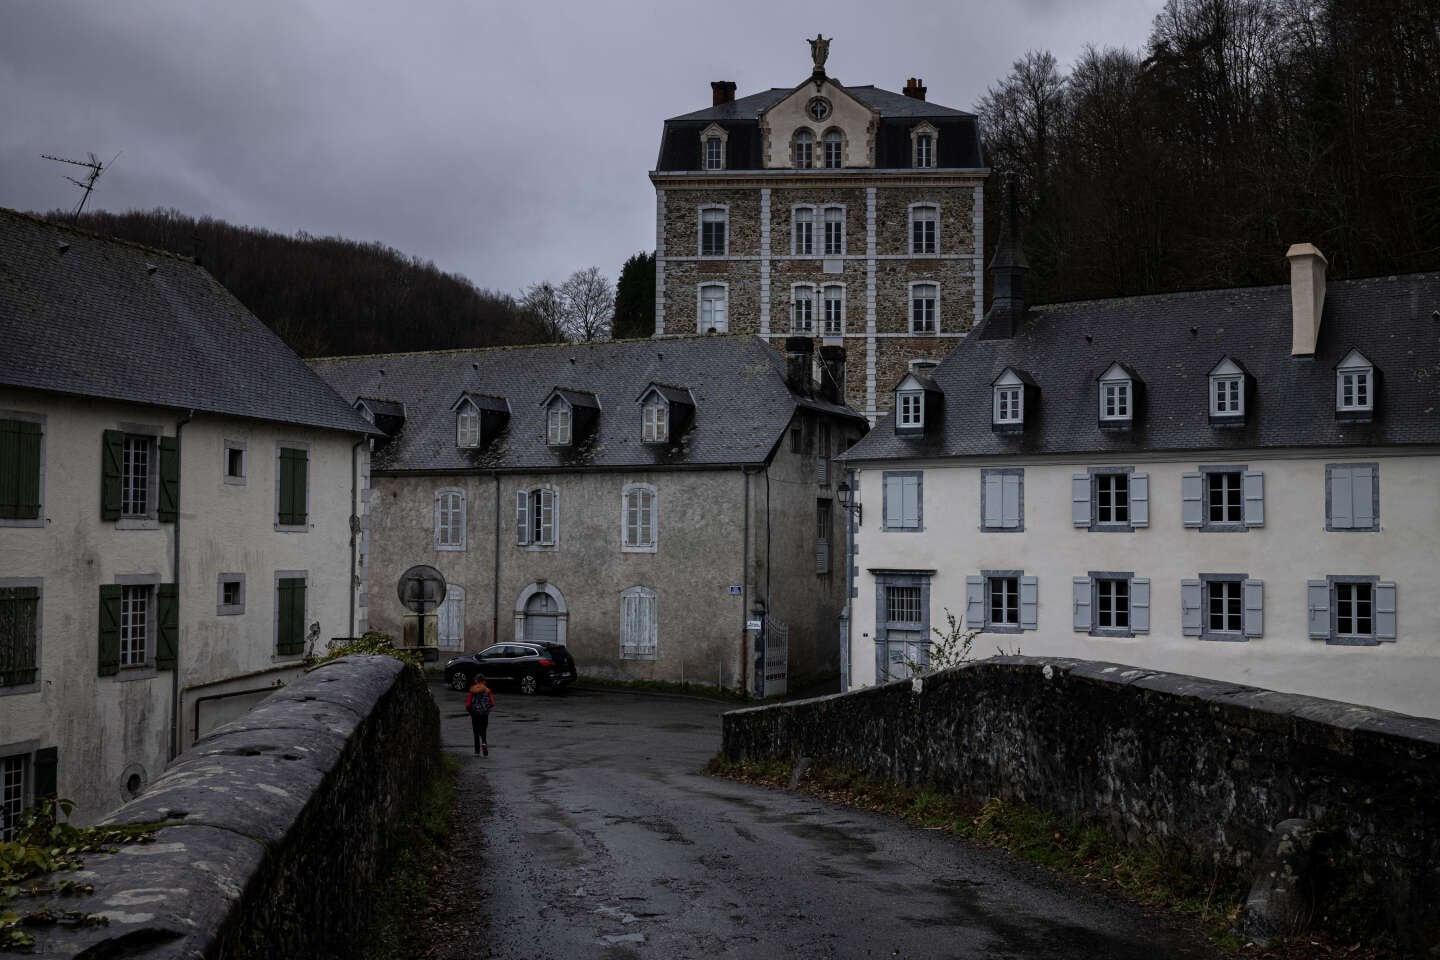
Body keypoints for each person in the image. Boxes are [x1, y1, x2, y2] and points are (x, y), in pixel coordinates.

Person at [465, 676, 495, 757]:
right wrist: (487, 710)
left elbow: (468, 704)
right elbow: (492, 703)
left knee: (476, 732)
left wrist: (471, 712)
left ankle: (477, 751)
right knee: (483, 730)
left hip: (475, 714)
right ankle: (484, 742)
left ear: (476, 681)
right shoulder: (488, 690)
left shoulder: (472, 690)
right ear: (484, 681)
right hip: (484, 714)